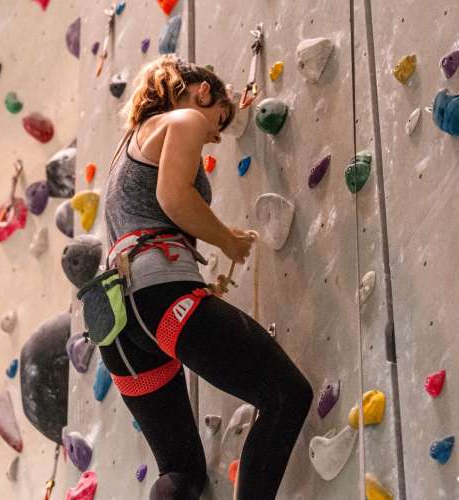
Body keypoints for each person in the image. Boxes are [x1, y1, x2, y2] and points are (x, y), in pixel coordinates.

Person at [99, 54, 313, 500]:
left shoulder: (127, 147)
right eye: (220, 119)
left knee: (181, 472)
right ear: (203, 93)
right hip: (159, 295)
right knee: (286, 395)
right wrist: (227, 242)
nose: (215, 135)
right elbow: (174, 197)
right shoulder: (183, 119)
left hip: (117, 325)